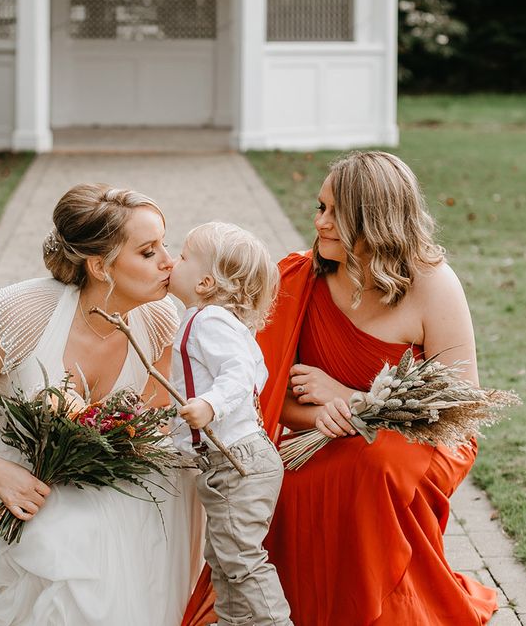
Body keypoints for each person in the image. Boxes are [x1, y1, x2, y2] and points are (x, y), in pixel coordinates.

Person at [182, 151, 499, 626]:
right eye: (320, 206)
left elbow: (459, 406)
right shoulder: (297, 279)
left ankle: (379, 611)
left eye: (335, 212)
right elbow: (268, 398)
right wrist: (321, 415)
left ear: (375, 219)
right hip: (324, 434)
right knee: (283, 483)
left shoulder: (433, 284)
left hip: (423, 439)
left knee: (373, 470)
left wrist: (350, 398)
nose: (320, 221)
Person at [0, 183, 203, 626]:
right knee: (77, 532)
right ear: (99, 265)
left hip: (84, 467)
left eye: (165, 245)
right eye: (149, 252)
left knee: (176, 481)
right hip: (2, 474)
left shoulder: (158, 316)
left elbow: (148, 423)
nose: (170, 262)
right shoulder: (22, 312)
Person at [167, 222, 293, 626]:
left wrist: (210, 404)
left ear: (204, 282)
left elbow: (239, 374)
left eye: (183, 256)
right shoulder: (217, 321)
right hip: (234, 460)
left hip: (237, 462)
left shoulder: (209, 321)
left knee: (241, 559)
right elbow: (258, 371)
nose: (172, 259)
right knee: (223, 559)